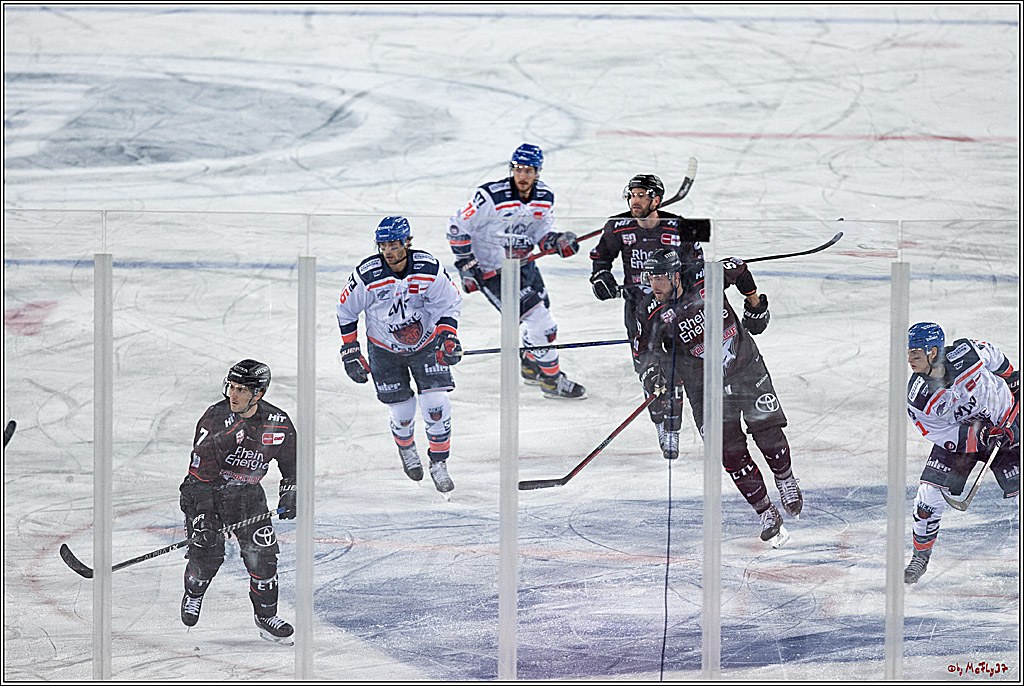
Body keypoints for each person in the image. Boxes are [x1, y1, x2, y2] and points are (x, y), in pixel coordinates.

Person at [632, 249, 801, 547]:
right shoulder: (649, 310)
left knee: (768, 433)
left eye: (660, 278)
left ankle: (785, 479)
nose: (654, 284)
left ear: (675, 275)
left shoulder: (705, 277)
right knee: (730, 453)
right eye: (651, 278)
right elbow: (644, 350)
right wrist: (654, 373)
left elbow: (739, 268)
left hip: (745, 368)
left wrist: (754, 305)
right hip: (703, 388)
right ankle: (766, 512)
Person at [447, 142, 586, 399]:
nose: (523, 175)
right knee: (542, 323)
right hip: (493, 272)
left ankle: (531, 365)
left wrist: (555, 241)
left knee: (541, 316)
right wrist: (466, 265)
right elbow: (457, 227)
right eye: (518, 169)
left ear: (538, 172)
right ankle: (551, 380)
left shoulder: (544, 196)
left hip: (524, 265)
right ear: (512, 169)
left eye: (529, 170)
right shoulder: (489, 196)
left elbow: (541, 231)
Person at [337, 216, 463, 494]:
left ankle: (439, 462)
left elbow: (449, 302)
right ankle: (407, 449)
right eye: (383, 245)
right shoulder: (367, 275)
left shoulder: (429, 268)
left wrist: (448, 336)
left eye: (393, 245)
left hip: (427, 345)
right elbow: (346, 310)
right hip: (384, 349)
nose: (388, 251)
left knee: (436, 404)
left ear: (407, 242)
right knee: (402, 412)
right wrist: (350, 350)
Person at [178, 359, 297, 644]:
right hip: (207, 493)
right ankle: (194, 591)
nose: (234, 394)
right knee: (207, 556)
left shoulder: (278, 422)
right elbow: (200, 476)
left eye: (242, 389)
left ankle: (266, 616)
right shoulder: (215, 420)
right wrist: (203, 516)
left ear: (258, 393)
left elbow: (292, 462)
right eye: (232, 386)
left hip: (247, 496)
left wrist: (290, 490)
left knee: (263, 557)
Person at [903, 322, 1019, 583]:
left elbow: (993, 355)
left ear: (933, 352)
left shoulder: (967, 352)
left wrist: (1012, 378)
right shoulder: (918, 397)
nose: (910, 359)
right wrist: (979, 436)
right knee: (928, 494)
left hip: (1006, 422)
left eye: (915, 353)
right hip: (962, 440)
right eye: (909, 353)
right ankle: (920, 557)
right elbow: (937, 433)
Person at [589, 173, 706, 374]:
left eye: (641, 195)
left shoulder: (681, 226)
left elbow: (697, 266)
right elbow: (601, 259)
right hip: (638, 310)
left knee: (687, 370)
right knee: (650, 373)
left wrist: (684, 286)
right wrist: (601, 277)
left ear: (656, 200)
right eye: (632, 195)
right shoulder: (616, 226)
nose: (634, 201)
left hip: (676, 308)